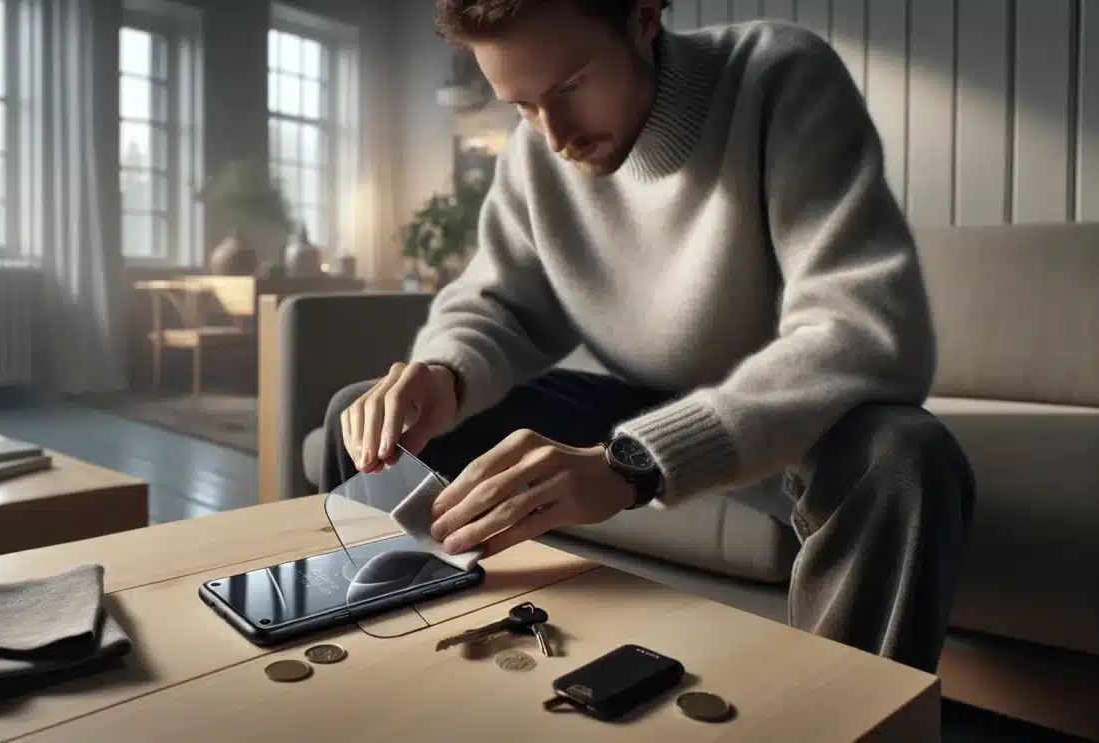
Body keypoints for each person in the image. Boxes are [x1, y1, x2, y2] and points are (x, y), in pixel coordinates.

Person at [320, 0, 976, 674]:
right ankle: (398, 678)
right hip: (631, 399)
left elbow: (859, 326)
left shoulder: (779, 76)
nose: (555, 136)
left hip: (784, 417)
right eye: (521, 106)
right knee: (367, 414)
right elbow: (499, 306)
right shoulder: (539, 153)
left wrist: (633, 464)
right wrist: (444, 373)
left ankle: (844, 716)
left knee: (905, 457)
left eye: (571, 87)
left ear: (643, 17)